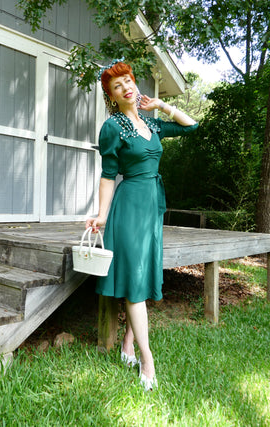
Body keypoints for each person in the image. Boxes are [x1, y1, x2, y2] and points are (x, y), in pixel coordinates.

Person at [85, 59, 198, 391]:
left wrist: (161, 104)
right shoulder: (113, 127)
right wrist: (102, 215)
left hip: (152, 208)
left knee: (145, 275)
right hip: (130, 205)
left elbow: (191, 126)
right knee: (135, 279)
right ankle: (147, 360)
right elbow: (108, 175)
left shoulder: (153, 124)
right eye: (117, 86)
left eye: (128, 81)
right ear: (112, 97)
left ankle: (127, 344)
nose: (126, 87)